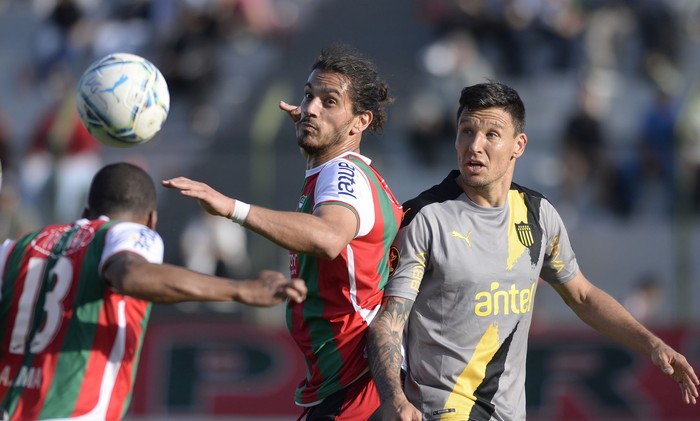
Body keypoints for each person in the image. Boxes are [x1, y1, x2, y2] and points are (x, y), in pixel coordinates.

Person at [367, 82, 699, 421]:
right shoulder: (425, 218)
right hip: (442, 411)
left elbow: (582, 296)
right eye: (466, 131)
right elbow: (389, 323)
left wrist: (653, 344)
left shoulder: (539, 215)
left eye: (491, 134)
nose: (475, 145)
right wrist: (394, 398)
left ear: (518, 145)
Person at [162, 43, 403, 420]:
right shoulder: (340, 172)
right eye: (308, 96)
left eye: (329, 101)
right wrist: (317, 127)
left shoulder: (342, 173)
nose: (309, 108)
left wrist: (231, 208)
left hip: (356, 382)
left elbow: (327, 238)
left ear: (360, 122)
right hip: (343, 381)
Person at [0, 162, 307, 421]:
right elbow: (131, 274)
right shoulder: (126, 233)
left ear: (85, 211)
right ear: (151, 220)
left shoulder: (16, 248)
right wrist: (242, 289)